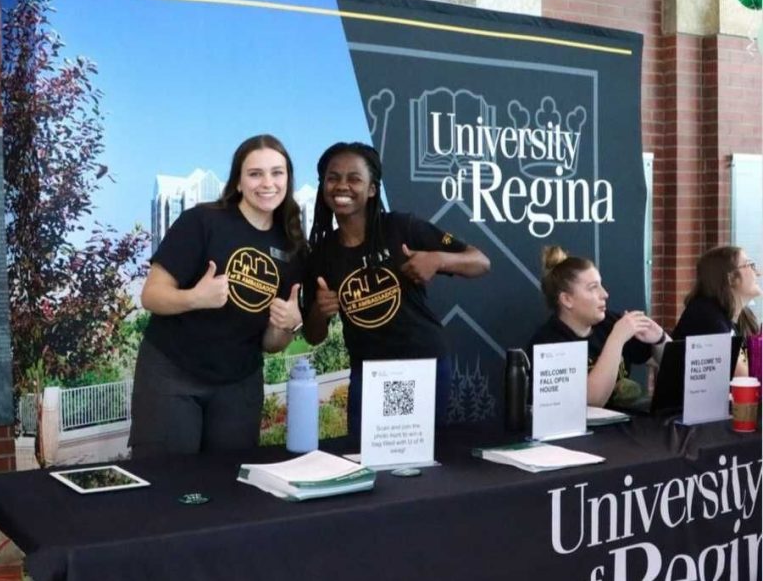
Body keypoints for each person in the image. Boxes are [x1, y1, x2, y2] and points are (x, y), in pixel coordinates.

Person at [129, 134, 306, 457]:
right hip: (172, 373)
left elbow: (270, 343)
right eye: (255, 174)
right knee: (167, 485)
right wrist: (195, 298)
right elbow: (151, 295)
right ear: (238, 182)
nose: (267, 183)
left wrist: (288, 325)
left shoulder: (293, 245)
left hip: (239, 383)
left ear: (288, 179)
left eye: (277, 173)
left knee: (230, 490)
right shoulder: (203, 221)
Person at [302, 142, 490, 437]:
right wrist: (319, 309)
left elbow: (480, 262)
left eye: (354, 178)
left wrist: (437, 259)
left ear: (373, 189)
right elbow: (314, 335)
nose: (342, 186)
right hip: (369, 373)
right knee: (366, 463)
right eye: (333, 177)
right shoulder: (320, 254)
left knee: (420, 464)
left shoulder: (402, 228)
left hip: (423, 364)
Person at [528, 246, 668, 408]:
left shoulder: (609, 323)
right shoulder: (549, 344)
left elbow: (673, 364)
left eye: (601, 285)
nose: (605, 294)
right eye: (593, 288)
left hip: (625, 426)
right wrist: (617, 339)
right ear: (567, 300)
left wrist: (660, 338)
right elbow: (592, 402)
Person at [673, 246, 761, 376]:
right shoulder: (706, 315)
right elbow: (744, 376)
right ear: (730, 278)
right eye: (749, 265)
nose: (758, 272)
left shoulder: (744, 316)